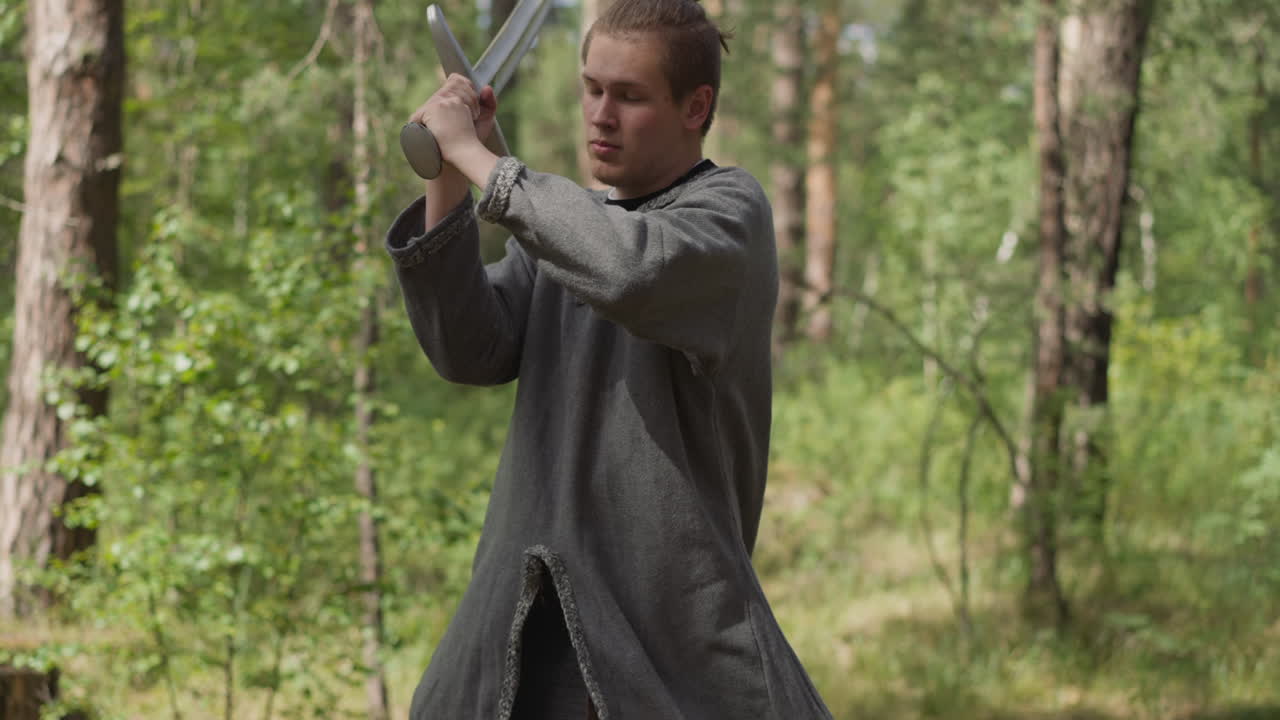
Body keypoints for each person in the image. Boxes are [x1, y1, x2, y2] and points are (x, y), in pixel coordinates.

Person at [385, 1, 833, 718]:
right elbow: (468, 349)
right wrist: (446, 173)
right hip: (527, 646)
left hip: (666, 653)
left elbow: (630, 271)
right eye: (592, 88)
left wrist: (484, 160)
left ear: (697, 106)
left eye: (629, 96)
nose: (600, 114)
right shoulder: (572, 229)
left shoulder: (727, 213)